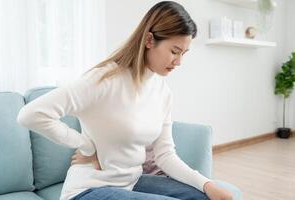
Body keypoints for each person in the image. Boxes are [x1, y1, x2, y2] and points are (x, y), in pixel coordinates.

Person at [17, 1, 233, 200]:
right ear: (149, 40)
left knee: (205, 197)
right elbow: (30, 114)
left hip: (132, 183)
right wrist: (86, 146)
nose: (178, 62)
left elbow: (165, 155)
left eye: (184, 53)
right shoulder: (103, 80)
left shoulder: (162, 91)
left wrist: (206, 184)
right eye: (174, 51)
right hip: (88, 190)